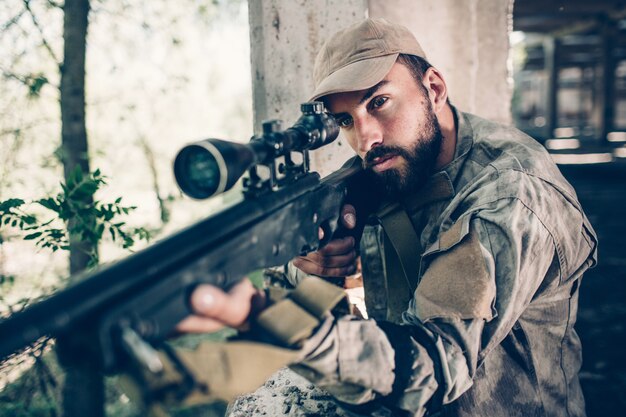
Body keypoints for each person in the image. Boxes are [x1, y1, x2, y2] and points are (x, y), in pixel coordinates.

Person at [177, 18, 598, 417]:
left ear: (433, 88)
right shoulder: (378, 173)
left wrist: (267, 319)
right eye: (346, 120)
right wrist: (310, 267)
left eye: (379, 103)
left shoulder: (509, 196)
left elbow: (435, 368)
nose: (366, 139)